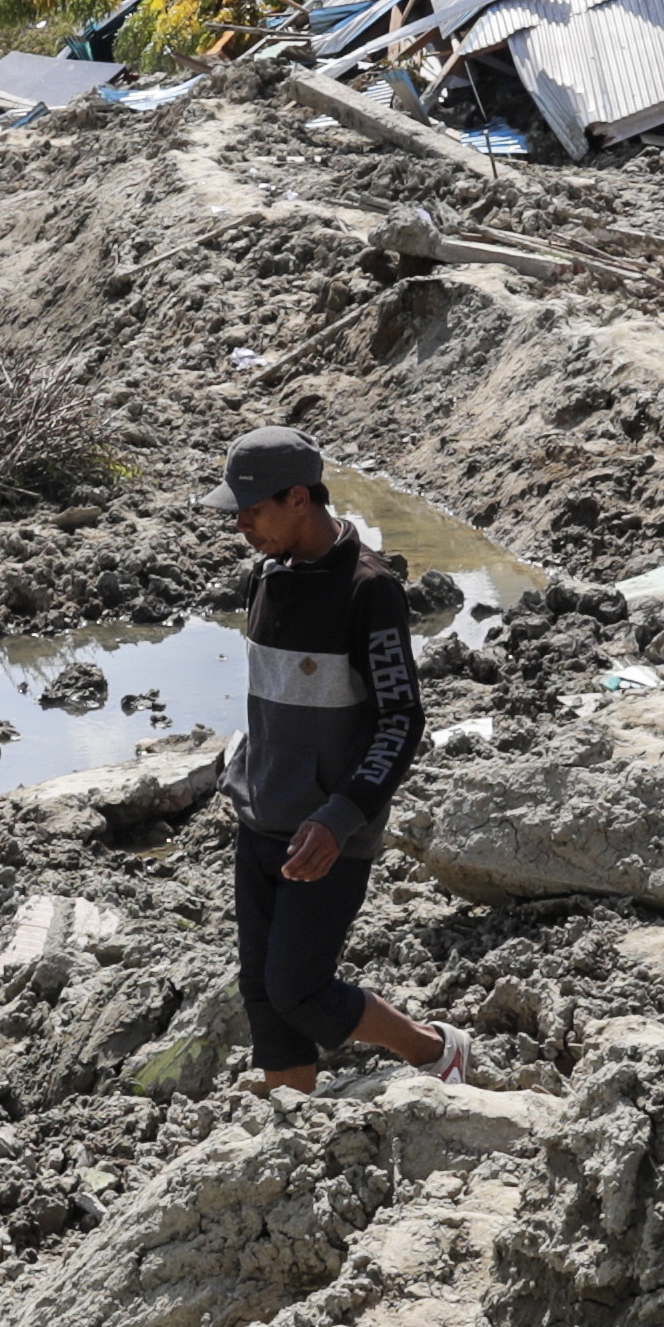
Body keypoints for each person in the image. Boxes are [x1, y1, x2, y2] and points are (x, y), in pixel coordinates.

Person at [218, 427, 456, 1091]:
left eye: (253, 510)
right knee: (262, 992)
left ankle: (434, 1051)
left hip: (326, 834)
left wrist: (342, 813)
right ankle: (293, 1109)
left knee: (299, 988)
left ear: (299, 499)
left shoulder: (368, 591)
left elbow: (401, 719)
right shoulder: (267, 579)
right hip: (261, 819)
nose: (241, 525)